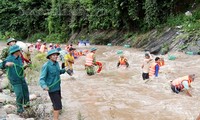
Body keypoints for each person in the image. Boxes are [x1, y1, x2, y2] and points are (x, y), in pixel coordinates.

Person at [2, 45, 30, 114]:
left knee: (25, 92)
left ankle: (27, 105)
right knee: (19, 94)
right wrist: (6, 64)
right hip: (14, 79)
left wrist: (25, 67)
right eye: (19, 50)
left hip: (21, 78)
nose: (20, 51)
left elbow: (20, 67)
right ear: (15, 52)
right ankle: (20, 109)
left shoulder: (19, 58)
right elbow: (1, 65)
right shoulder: (9, 58)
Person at [39, 49, 66, 120]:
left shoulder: (56, 64)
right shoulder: (46, 65)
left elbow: (58, 72)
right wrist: (44, 86)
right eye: (54, 55)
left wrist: (64, 70)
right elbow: (42, 78)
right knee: (57, 106)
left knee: (57, 104)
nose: (56, 56)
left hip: (58, 87)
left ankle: (54, 114)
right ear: (49, 57)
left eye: (56, 55)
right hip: (52, 89)